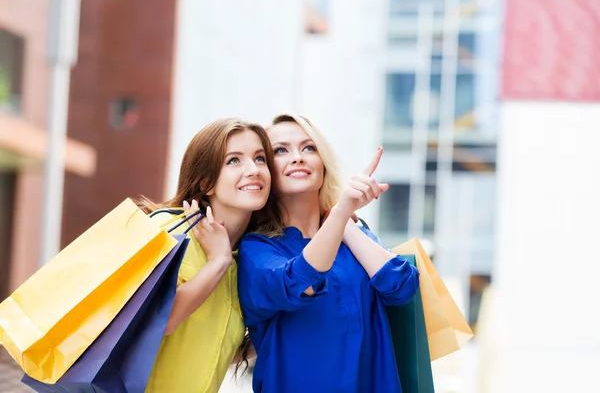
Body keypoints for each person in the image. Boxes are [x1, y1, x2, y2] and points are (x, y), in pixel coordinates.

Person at [237, 113, 420, 392]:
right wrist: (342, 212)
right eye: (280, 150)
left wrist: (342, 220)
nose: (298, 157)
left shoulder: (352, 233)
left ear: (323, 163)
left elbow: (401, 286)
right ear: (265, 171)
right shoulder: (258, 248)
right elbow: (299, 281)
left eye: (309, 147)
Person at [137, 118, 277, 393]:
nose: (253, 170)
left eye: (260, 159)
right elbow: (161, 320)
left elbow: (222, 346)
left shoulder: (248, 259)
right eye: (234, 161)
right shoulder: (167, 230)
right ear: (205, 182)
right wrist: (217, 262)